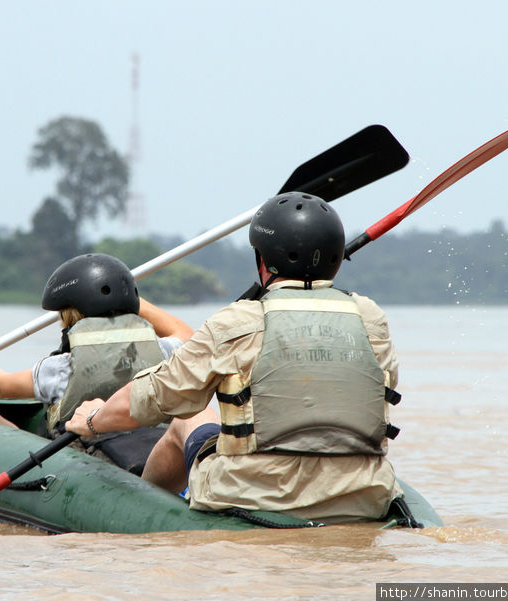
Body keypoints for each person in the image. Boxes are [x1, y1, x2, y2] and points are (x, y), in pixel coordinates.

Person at [66, 192, 404, 522]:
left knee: (187, 420)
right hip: (363, 494)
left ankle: (139, 516)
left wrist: (93, 420)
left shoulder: (236, 321)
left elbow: (148, 400)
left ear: (262, 260)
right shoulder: (371, 318)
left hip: (254, 495)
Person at [0, 254, 193, 466]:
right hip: (150, 452)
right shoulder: (162, 351)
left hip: (84, 461)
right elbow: (186, 335)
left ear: (69, 316)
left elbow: (2, 386)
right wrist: (125, 295)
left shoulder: (61, 367)